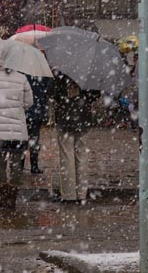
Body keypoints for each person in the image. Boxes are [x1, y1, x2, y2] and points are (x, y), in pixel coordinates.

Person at [0, 65, 33, 210]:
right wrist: (17, 105)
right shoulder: (22, 78)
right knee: (16, 163)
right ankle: (12, 197)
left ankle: (4, 195)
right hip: (17, 129)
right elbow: (29, 103)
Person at [52, 72, 101, 203]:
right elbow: (95, 94)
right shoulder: (90, 71)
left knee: (66, 156)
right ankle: (81, 193)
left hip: (64, 117)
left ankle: (69, 194)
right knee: (82, 155)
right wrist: (83, 97)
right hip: (83, 117)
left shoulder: (60, 71)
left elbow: (53, 93)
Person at [21, 73, 50, 174]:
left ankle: (21, 165)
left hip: (24, 110)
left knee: (23, 139)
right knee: (34, 138)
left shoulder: (22, 72)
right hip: (36, 110)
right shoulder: (42, 71)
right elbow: (47, 89)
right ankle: (34, 165)